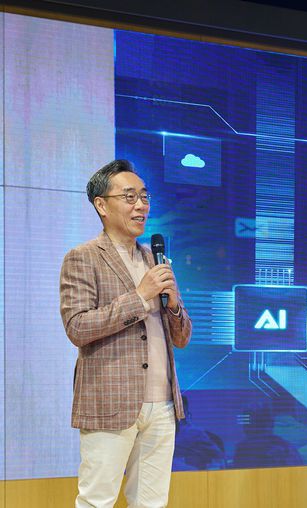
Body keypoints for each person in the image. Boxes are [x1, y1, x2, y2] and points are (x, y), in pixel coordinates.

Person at [60, 159, 192, 508]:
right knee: (96, 501)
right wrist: (139, 297)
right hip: (110, 402)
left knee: (151, 503)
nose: (141, 205)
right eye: (129, 196)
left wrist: (173, 306)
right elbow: (77, 327)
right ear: (101, 205)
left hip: (162, 405)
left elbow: (181, 338)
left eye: (144, 196)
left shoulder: (155, 260)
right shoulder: (83, 258)